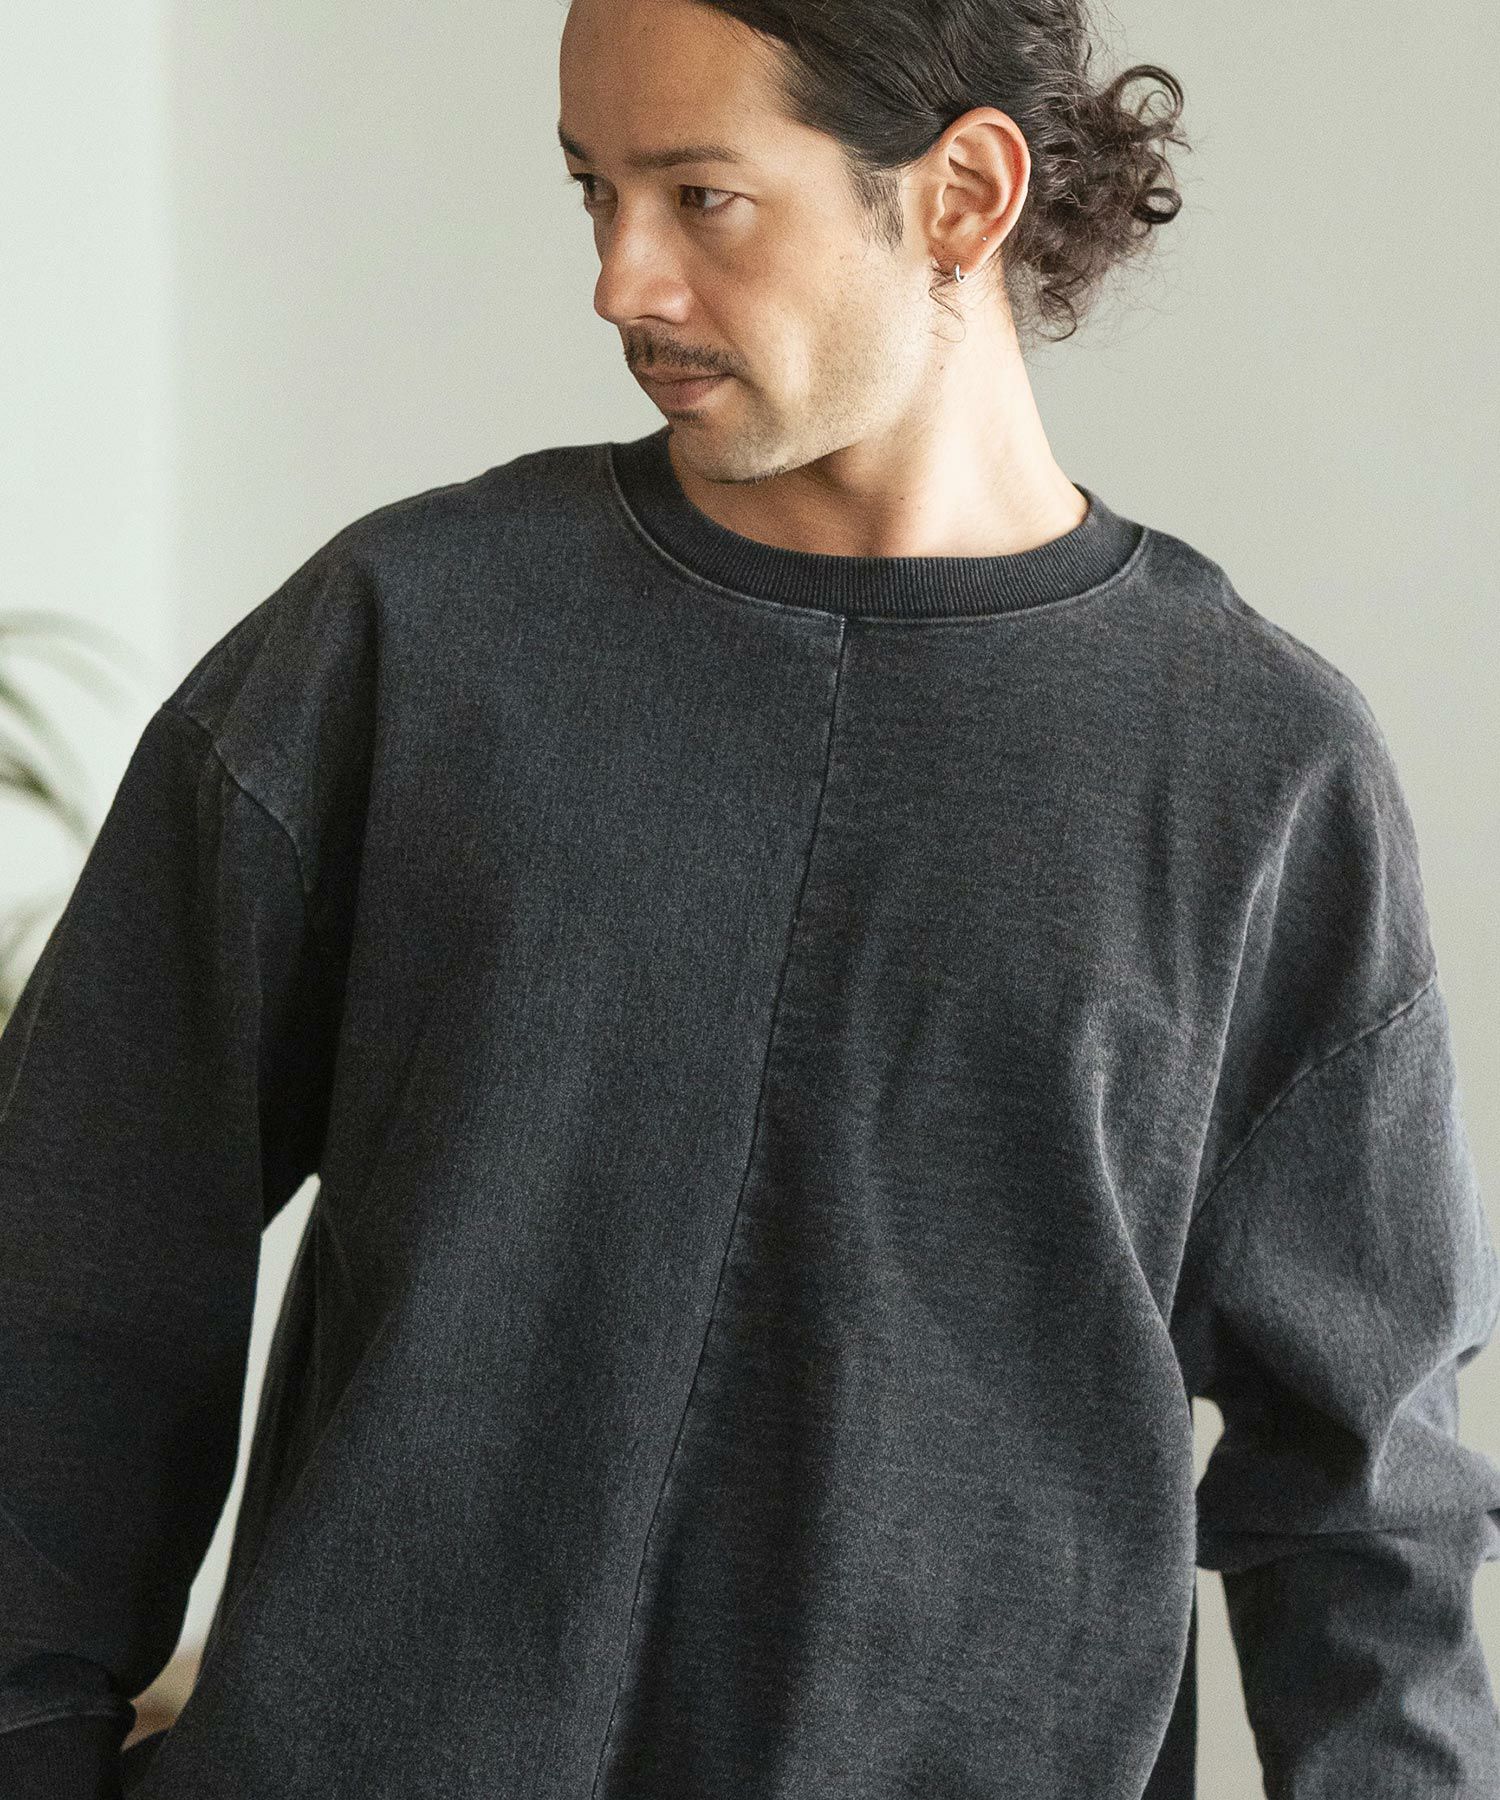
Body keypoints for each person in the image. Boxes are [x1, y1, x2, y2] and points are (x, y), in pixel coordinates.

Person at [3, 0, 1498, 1794]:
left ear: (962, 195)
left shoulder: (1259, 769)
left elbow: (1366, 1502)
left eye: (699, 196)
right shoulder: (411, 642)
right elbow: (71, 1259)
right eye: (593, 191)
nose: (620, 282)